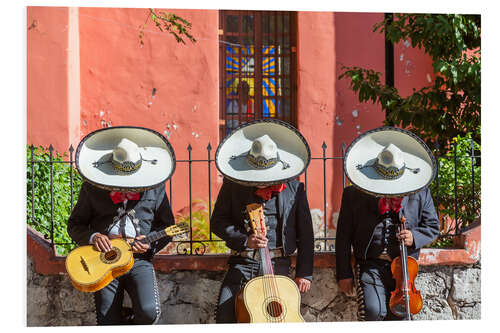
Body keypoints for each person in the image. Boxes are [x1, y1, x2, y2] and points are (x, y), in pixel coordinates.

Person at [67, 126, 176, 325]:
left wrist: (150, 245)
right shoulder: (92, 189)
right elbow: (75, 225)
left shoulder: (156, 188)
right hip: (102, 260)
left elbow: (167, 227)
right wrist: (93, 237)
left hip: (139, 260)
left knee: (149, 312)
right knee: (106, 320)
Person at [211, 119, 314, 323]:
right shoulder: (233, 185)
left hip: (279, 264)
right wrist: (244, 240)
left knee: (278, 320)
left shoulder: (295, 189)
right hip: (243, 262)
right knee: (224, 316)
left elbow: (306, 234)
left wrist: (304, 273)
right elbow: (217, 222)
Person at [335, 127, 440, 321]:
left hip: (404, 270)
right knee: (374, 312)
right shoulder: (353, 195)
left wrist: (414, 237)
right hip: (369, 264)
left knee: (400, 315)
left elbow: (433, 226)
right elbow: (343, 236)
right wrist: (344, 273)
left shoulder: (420, 192)